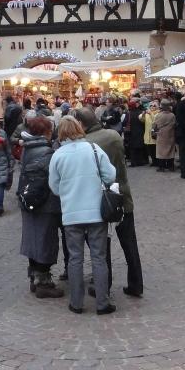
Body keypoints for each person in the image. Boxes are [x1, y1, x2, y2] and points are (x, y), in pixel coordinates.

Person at [48, 116, 117, 315]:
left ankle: (76, 302)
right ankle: (102, 303)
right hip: (96, 212)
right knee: (99, 257)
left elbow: (54, 186)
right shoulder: (94, 149)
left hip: (72, 213)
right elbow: (110, 175)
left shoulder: (58, 155)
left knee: (75, 258)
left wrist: (68, 192)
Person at [76, 108, 143, 299]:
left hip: (100, 198)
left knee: (101, 244)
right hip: (122, 193)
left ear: (81, 124)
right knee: (129, 242)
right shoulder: (114, 136)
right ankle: (136, 283)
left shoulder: (85, 144)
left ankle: (104, 284)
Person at [16, 116, 63, 298]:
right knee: (46, 240)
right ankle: (43, 282)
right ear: (46, 132)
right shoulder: (46, 152)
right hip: (45, 202)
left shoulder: (28, 148)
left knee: (33, 238)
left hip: (28, 199)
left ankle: (34, 276)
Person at [152, 102, 177, 172]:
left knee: (160, 151)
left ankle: (161, 167)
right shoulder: (172, 115)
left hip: (161, 135)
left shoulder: (158, 115)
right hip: (170, 135)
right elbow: (175, 125)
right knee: (170, 151)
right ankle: (170, 166)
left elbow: (154, 125)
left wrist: (154, 131)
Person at [139, 101, 157, 167]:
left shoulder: (157, 113)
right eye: (151, 106)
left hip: (155, 135)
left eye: (154, 105)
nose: (152, 107)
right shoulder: (147, 114)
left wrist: (151, 114)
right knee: (150, 150)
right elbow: (141, 119)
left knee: (155, 149)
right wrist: (143, 114)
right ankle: (153, 161)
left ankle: (157, 161)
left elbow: (155, 121)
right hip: (148, 135)